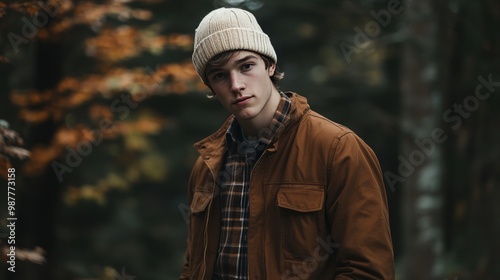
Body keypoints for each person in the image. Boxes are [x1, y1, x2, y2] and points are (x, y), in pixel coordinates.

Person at [180, 7, 395, 280]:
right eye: (219, 75)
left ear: (270, 65)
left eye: (246, 66)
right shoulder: (206, 167)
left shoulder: (338, 150)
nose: (236, 84)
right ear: (211, 87)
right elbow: (193, 269)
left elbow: (368, 271)